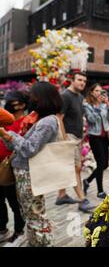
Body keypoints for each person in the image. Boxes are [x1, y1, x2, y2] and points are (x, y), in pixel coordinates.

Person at [0, 82, 64, 247]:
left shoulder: (48, 122)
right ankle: (34, 242)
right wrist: (9, 137)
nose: (31, 100)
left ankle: (43, 243)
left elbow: (29, 149)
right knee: (30, 213)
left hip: (30, 174)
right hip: (26, 173)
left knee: (35, 216)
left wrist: (9, 137)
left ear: (43, 98)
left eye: (34, 97)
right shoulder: (43, 120)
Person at [56, 71, 95, 213]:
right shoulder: (65, 96)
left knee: (69, 167)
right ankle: (82, 199)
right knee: (75, 168)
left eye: (84, 81)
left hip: (78, 138)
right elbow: (59, 117)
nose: (82, 83)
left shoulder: (79, 97)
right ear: (72, 80)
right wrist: (64, 138)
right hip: (69, 138)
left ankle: (61, 195)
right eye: (79, 80)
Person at [0, 92, 28, 247]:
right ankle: (2, 228)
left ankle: (19, 232)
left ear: (23, 104)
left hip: (13, 167)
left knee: (14, 202)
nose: (10, 103)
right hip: (0, 166)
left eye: (14, 101)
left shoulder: (26, 121)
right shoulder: (5, 118)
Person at [83, 84, 109, 199]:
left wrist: (108, 106)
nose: (99, 93)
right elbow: (91, 119)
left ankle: (87, 180)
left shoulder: (103, 105)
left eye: (101, 91)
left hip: (104, 136)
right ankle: (100, 191)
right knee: (100, 163)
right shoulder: (87, 105)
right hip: (94, 137)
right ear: (91, 92)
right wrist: (98, 107)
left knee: (105, 164)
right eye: (96, 90)